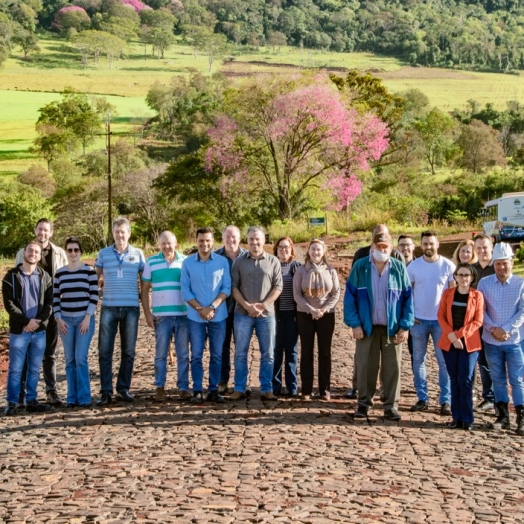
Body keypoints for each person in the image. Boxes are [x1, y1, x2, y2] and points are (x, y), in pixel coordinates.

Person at [344, 232, 413, 420]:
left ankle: (391, 406)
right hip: (367, 328)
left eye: (385, 247)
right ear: (372, 247)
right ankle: (363, 404)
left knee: (393, 369)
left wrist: (405, 326)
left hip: (392, 328)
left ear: (391, 248)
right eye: (378, 246)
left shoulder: (399, 268)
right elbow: (349, 298)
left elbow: (408, 299)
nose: (381, 250)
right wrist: (355, 324)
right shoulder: (360, 267)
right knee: (366, 366)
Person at [15, 218, 67, 406]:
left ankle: (51, 390)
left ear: (51, 232)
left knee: (49, 353)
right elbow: (16, 281)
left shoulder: (59, 253)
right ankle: (22, 393)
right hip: (29, 310)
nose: (42, 233)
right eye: (39, 230)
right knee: (27, 352)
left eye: (46, 230)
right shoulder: (23, 252)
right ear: (35, 230)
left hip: (51, 308)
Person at [95, 217, 145, 406]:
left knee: (129, 352)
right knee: (104, 352)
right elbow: (94, 277)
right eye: (117, 232)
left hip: (131, 308)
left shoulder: (138, 254)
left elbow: (146, 282)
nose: (120, 235)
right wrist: (97, 293)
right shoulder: (103, 254)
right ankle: (106, 391)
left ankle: (123, 388)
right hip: (109, 307)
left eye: (123, 232)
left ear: (129, 233)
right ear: (113, 234)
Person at [230, 226, 283, 401]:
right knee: (240, 352)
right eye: (251, 239)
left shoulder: (273, 261)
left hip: (266, 315)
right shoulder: (239, 262)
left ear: (264, 240)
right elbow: (234, 287)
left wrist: (263, 305)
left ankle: (266, 388)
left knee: (267, 353)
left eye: (257, 239)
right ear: (247, 241)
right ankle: (239, 387)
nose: (254, 242)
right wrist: (246, 305)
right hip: (242, 314)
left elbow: (278, 287)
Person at [477, 243, 524, 436]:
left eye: (505, 263)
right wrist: (492, 329)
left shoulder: (520, 284)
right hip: (491, 341)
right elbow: (480, 310)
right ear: (494, 263)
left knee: (517, 379)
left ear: (511, 263)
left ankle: (521, 417)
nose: (501, 268)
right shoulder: (484, 283)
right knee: (497, 379)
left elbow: (522, 311)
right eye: (498, 264)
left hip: (514, 341)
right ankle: (502, 416)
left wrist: (505, 329)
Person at [181, 227, 231, 404]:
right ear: (196, 241)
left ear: (213, 241)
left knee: (216, 355)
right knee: (196, 355)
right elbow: (185, 290)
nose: (205, 244)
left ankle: (213, 389)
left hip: (218, 316)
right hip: (195, 317)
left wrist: (211, 307)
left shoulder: (222, 262)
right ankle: (197, 389)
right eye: (201, 240)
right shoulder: (187, 263)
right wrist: (200, 309)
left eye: (208, 240)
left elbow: (226, 288)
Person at [408, 230, 455, 415]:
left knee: (443, 362)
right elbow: (407, 293)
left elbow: (452, 294)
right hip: (418, 321)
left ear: (438, 244)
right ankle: (422, 398)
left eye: (431, 243)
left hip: (440, 322)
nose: (428, 247)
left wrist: (449, 320)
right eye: (425, 243)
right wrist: (410, 315)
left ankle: (446, 400)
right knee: (418, 360)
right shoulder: (413, 267)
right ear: (421, 245)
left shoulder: (448, 266)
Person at [3, 242, 54, 415]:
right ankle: (12, 402)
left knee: (34, 368)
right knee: (16, 368)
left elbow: (49, 303)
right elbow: (9, 304)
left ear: (40, 256)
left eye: (36, 252)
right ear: (24, 252)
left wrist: (38, 321)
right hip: (20, 331)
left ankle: (32, 399)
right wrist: (26, 321)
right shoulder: (11, 277)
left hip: (39, 331)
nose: (33, 254)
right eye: (30, 250)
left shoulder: (45, 277)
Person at [141, 231, 190, 403]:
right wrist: (147, 313)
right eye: (163, 243)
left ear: (176, 243)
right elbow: (145, 289)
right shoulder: (151, 262)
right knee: (160, 353)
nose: (167, 246)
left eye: (170, 243)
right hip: (161, 316)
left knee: (183, 353)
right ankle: (159, 386)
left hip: (183, 314)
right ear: (158, 244)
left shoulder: (185, 261)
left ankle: (183, 387)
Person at [53, 237, 99, 408]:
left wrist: (88, 317)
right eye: (70, 250)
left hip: (83, 320)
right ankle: (71, 396)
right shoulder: (60, 273)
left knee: (81, 358)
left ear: (80, 252)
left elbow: (94, 296)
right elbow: (56, 297)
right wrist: (58, 318)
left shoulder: (89, 271)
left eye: (76, 250)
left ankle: (85, 396)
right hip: (65, 321)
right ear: (66, 251)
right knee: (70, 359)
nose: (73, 253)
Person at [437, 263, 484, 431]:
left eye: (467, 275)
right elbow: (441, 316)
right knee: (454, 380)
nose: (463, 278)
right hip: (449, 343)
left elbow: (478, 321)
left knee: (466, 380)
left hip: (468, 344)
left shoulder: (477, 296)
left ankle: (467, 418)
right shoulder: (448, 294)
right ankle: (456, 417)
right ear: (455, 276)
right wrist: (451, 335)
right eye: (460, 275)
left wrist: (458, 335)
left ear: (472, 278)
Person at [293, 238, 340, 401]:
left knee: (325, 352)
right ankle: (306, 390)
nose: (315, 252)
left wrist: (324, 309)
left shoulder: (331, 270)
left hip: (326, 315)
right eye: (313, 249)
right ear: (308, 251)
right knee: (306, 352)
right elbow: (297, 294)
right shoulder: (301, 271)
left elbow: (336, 294)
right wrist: (311, 310)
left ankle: (324, 389)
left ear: (324, 252)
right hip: (305, 315)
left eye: (318, 249)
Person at [215, 225, 247, 394]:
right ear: (222, 238)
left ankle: (241, 383)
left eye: (233, 236)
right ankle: (222, 380)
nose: (230, 239)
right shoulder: (215, 257)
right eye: (227, 236)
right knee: (222, 347)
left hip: (242, 310)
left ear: (239, 238)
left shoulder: (247, 256)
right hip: (222, 309)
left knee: (241, 347)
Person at [272, 237, 301, 397]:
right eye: (280, 247)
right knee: (276, 350)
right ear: (276, 249)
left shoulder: (297, 267)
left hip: (292, 315)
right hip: (275, 314)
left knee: (291, 350)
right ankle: (275, 384)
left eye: (286, 247)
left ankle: (292, 385)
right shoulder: (272, 265)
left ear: (291, 249)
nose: (283, 250)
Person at [471, 233, 496, 413]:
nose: (481, 251)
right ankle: (489, 397)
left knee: (495, 361)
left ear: (491, 248)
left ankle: (497, 398)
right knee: (482, 361)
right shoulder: (471, 270)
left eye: (485, 247)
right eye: (478, 248)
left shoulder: (498, 268)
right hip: (475, 323)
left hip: (495, 321)